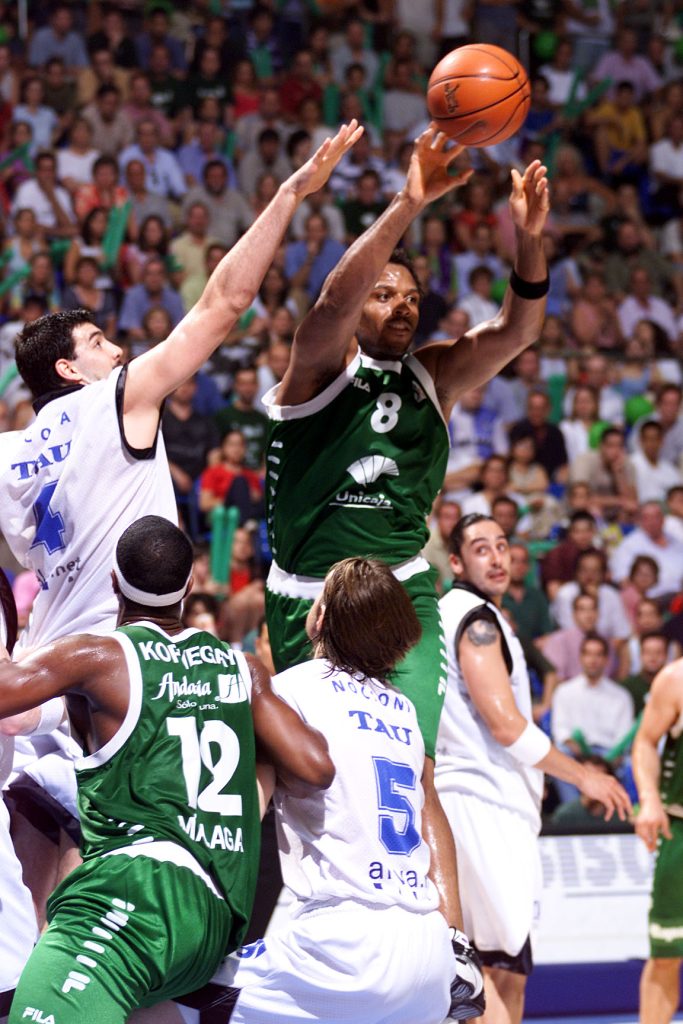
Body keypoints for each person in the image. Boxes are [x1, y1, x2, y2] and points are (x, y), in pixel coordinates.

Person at [263, 127, 552, 925]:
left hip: (402, 592)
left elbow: (516, 331)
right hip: (306, 597)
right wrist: (408, 201)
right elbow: (328, 304)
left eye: (411, 297)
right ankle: (295, 920)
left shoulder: (433, 374)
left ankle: (448, 940)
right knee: (303, 769)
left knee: (413, 763)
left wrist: (529, 242)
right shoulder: (316, 369)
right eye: (384, 294)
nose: (400, 307)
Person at [0, 120, 362, 651]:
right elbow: (225, 304)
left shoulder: (8, 452)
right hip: (120, 657)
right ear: (69, 370)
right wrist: (291, 193)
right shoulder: (116, 398)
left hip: (44, 657)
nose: (117, 350)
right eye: (98, 342)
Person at [0, 516, 333, 1023]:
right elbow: (315, 766)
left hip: (138, 897)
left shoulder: (101, 657)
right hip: (216, 921)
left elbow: (6, 694)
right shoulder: (241, 667)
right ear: (191, 584)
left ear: (114, 582)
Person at [183, 556, 483, 1024]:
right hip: (428, 947)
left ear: (321, 616)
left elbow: (244, 810)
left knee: (164, 1000)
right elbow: (429, 816)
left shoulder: (291, 690)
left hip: (346, 944)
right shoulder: (405, 712)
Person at [435, 514, 630, 1024]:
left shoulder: (453, 613)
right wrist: (583, 775)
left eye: (502, 545)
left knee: (501, 970)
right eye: (481, 548)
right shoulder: (476, 620)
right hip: (483, 804)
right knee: (483, 971)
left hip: (477, 804)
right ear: (455, 561)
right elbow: (505, 725)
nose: (497, 556)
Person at [632, 656, 683, 1024]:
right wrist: (649, 798)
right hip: (680, 830)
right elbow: (646, 741)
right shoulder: (675, 677)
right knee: (666, 953)